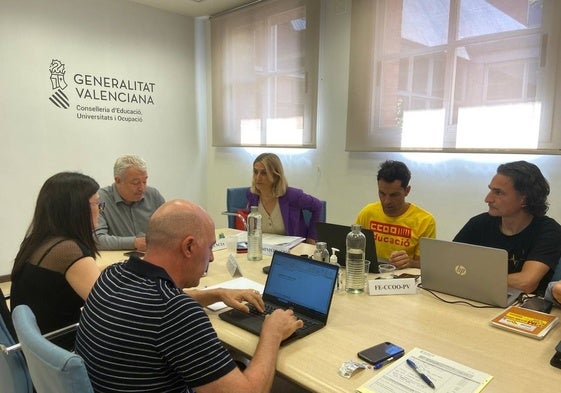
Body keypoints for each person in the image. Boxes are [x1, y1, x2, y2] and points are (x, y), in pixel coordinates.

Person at [75, 199, 302, 393]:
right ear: (189, 247)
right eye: (210, 247)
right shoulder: (175, 312)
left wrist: (216, 294)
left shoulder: (113, 274)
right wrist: (272, 333)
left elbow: (153, 308)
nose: (211, 258)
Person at [10, 172, 102, 350]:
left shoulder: (35, 241)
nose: (100, 209)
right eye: (97, 203)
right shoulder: (69, 252)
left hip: (37, 351)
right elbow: (109, 308)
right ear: (77, 209)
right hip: (64, 352)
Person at [454, 161, 561, 295]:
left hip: (522, 307)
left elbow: (526, 283)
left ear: (524, 199)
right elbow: (449, 265)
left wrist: (470, 277)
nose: (487, 199)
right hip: (479, 294)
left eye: (498, 192)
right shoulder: (479, 223)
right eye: (490, 190)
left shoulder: (548, 231)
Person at [355, 160, 436, 269]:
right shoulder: (367, 213)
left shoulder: (425, 221)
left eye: (394, 195)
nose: (386, 201)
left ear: (407, 191)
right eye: (382, 193)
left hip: (404, 280)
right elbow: (353, 250)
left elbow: (427, 266)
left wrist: (410, 263)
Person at [245, 152, 323, 244]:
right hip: (263, 248)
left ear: (275, 175)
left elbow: (318, 206)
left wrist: (311, 238)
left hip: (292, 249)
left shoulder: (292, 195)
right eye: (255, 172)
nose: (257, 177)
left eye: (264, 173)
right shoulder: (252, 195)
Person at [95, 154, 165, 251]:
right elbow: (97, 240)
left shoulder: (153, 195)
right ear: (118, 180)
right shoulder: (100, 200)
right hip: (117, 262)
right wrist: (134, 243)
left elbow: (169, 231)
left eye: (144, 181)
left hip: (151, 258)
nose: (142, 188)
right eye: (135, 183)